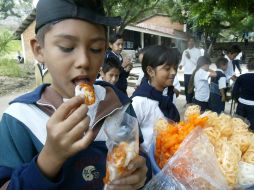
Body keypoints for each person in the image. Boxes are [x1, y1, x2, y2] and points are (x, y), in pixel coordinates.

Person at [0, 0, 151, 189]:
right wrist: (50, 158)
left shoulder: (118, 103)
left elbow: (140, 157)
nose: (84, 61)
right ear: (39, 50)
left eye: (96, 49)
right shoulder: (20, 118)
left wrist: (140, 174)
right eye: (67, 47)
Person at [131, 45, 180, 153]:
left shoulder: (165, 97)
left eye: (174, 68)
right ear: (150, 71)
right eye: (167, 68)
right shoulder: (140, 102)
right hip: (148, 165)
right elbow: (127, 139)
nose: (173, 72)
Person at [232, 58, 254, 130]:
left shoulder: (241, 77)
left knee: (240, 125)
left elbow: (235, 91)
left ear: (247, 66)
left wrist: (238, 100)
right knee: (252, 127)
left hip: (242, 104)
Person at [179, 37, 202, 104]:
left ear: (194, 42)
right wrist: (181, 65)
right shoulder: (185, 51)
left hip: (194, 72)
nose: (190, 42)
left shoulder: (198, 51)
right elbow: (183, 61)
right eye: (189, 41)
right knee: (186, 88)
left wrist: (190, 57)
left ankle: (190, 102)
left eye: (192, 41)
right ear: (187, 42)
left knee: (191, 88)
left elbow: (199, 63)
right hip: (186, 72)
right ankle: (188, 101)